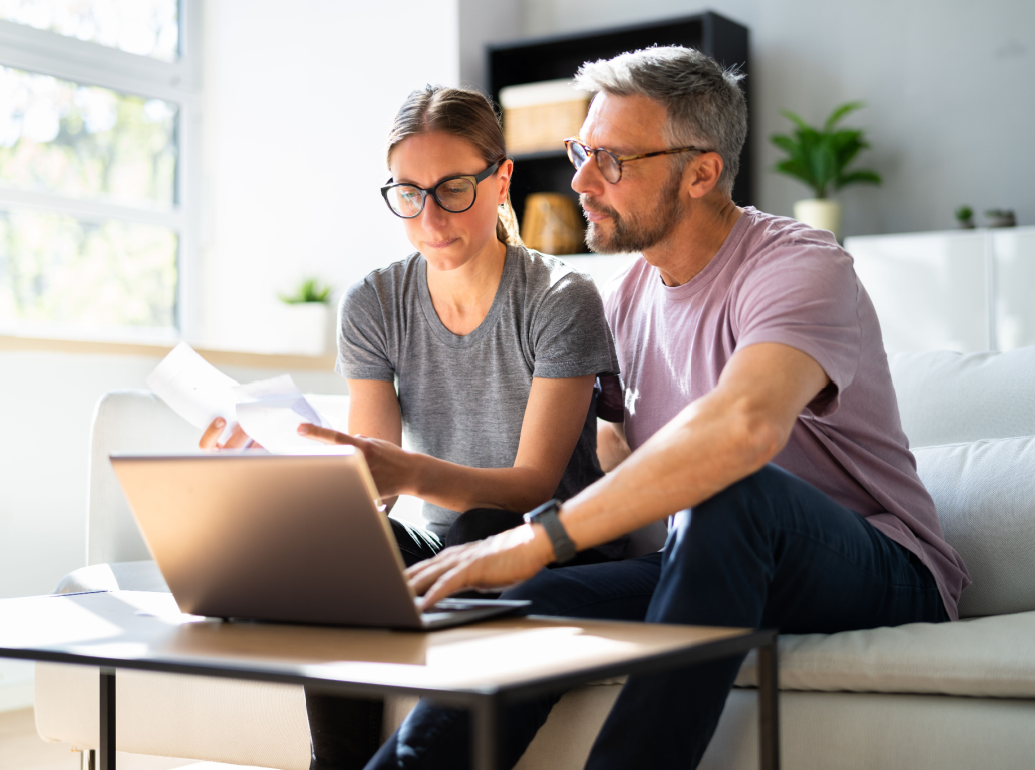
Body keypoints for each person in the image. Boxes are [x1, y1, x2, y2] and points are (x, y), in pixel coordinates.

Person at [367, 47, 972, 770]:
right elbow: (612, 454)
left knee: (730, 494)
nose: (581, 179)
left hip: (877, 565)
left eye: (613, 160)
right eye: (581, 151)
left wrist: (538, 538)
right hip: (706, 561)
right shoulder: (621, 300)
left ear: (702, 172)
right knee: (526, 600)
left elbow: (743, 427)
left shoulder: (799, 265)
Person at [201, 84, 622, 769]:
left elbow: (532, 487)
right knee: (347, 536)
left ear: (501, 180)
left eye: (454, 188)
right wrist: (270, 467)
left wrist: (406, 473)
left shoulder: (559, 298)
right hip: (435, 545)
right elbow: (374, 484)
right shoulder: (374, 301)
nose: (429, 216)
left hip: (550, 550)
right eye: (407, 192)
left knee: (481, 527)